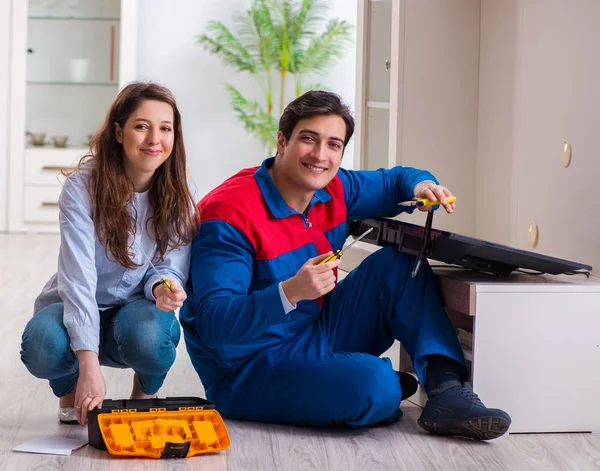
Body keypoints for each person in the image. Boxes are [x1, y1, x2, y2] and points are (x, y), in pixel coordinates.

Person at [179, 90, 511, 440]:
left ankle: (447, 391)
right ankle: (359, 382)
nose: (320, 155)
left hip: (318, 330)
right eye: (308, 139)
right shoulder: (228, 214)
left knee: (399, 264)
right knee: (374, 385)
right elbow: (215, 324)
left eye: (333, 144)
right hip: (246, 367)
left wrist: (422, 184)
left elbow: (394, 180)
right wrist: (290, 292)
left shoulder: (334, 187)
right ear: (282, 140)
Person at [20, 82, 198, 426]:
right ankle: (71, 393)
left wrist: (163, 288)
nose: (154, 140)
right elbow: (79, 277)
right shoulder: (82, 187)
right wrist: (88, 367)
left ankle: (144, 395)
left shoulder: (180, 191)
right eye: (141, 126)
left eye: (165, 129)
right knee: (42, 343)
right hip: (76, 303)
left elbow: (169, 265)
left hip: (134, 312)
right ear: (119, 132)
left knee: (149, 338)